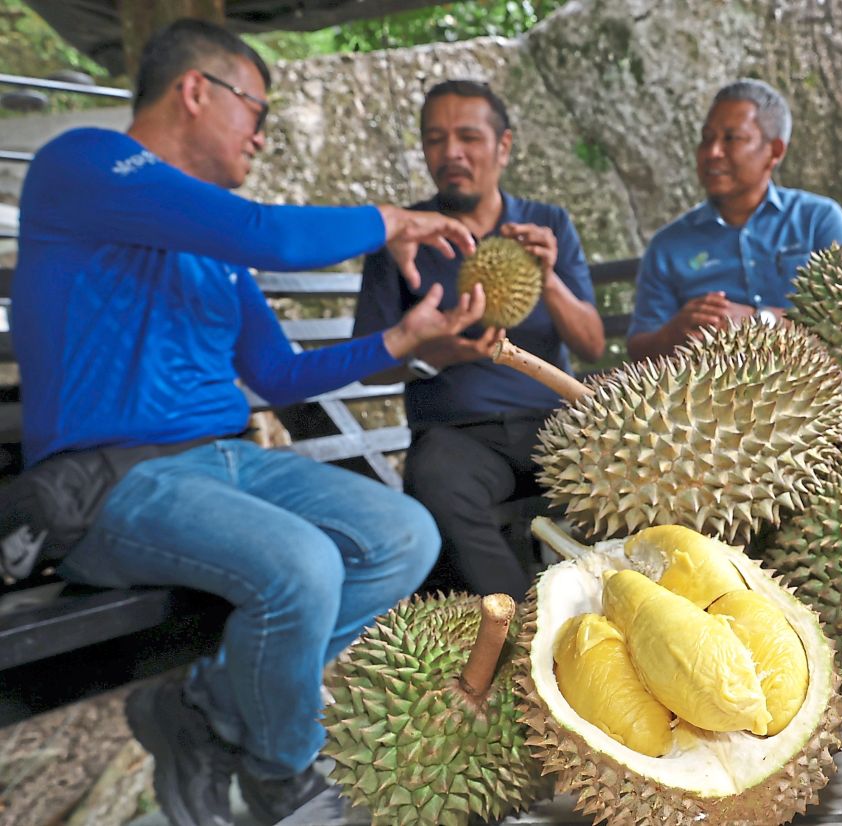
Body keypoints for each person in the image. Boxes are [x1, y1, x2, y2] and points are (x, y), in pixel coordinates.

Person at [12, 19, 487, 826]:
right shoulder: (82, 164)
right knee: (301, 567)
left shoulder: (214, 246)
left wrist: (401, 341)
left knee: (406, 535)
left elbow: (275, 375)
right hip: (113, 484)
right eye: (255, 110)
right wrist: (390, 219)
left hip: (230, 462)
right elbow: (264, 231)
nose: (261, 137)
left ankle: (205, 711)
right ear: (197, 91)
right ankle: (283, 771)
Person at [353, 80, 604, 601]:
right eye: (435, 140)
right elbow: (372, 365)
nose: (451, 154)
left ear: (503, 146)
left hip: (555, 427)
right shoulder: (404, 238)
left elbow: (593, 346)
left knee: (631, 470)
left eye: (468, 137)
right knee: (436, 483)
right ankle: (519, 633)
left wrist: (548, 276)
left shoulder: (547, 223)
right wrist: (429, 356)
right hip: (458, 434)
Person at [626, 79, 842, 360]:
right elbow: (638, 350)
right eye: (707, 138)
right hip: (711, 397)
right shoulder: (667, 246)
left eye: (731, 139)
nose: (713, 153)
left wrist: (758, 321)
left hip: (817, 391)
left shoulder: (818, 220)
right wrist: (674, 332)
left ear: (774, 151)